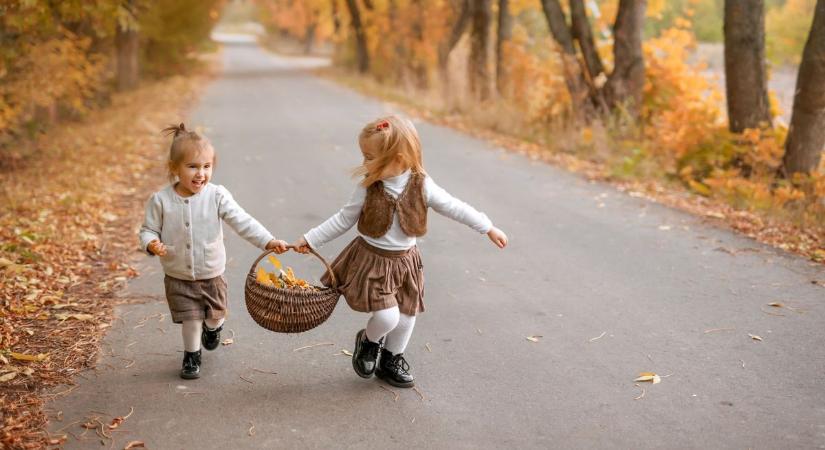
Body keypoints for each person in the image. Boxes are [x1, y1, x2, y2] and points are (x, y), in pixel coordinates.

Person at [294, 115, 508, 388]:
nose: (364, 163)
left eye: (369, 157)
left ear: (396, 158)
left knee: (407, 316)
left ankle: (391, 359)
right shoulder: (367, 188)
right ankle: (369, 342)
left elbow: (455, 206)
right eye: (364, 155)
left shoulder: (423, 185)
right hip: (373, 261)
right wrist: (310, 239)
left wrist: (487, 227)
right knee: (387, 316)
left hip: (406, 263)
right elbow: (343, 219)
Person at [139, 123, 287, 379]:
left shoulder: (216, 196)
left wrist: (268, 241)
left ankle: (214, 328)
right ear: (174, 168)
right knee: (191, 319)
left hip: (211, 274)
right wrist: (152, 243)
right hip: (178, 275)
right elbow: (148, 230)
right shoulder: (161, 200)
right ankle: (191, 356)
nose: (201, 174)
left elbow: (243, 221)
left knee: (214, 317)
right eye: (193, 166)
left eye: (206, 167)